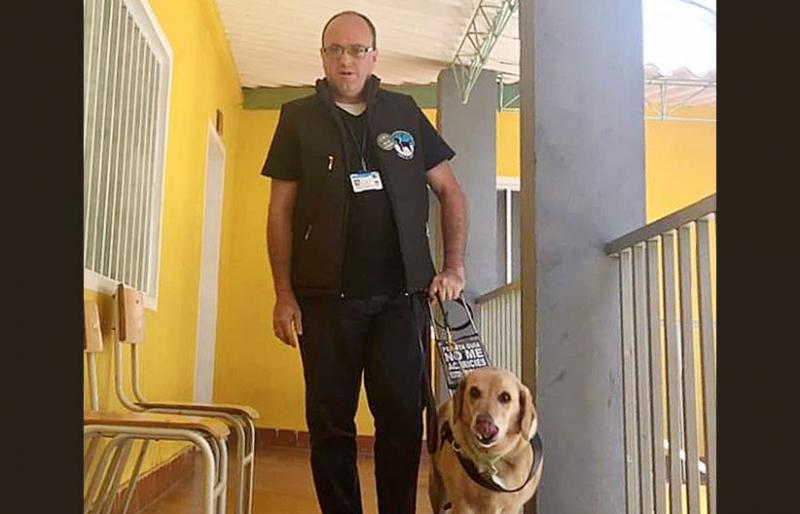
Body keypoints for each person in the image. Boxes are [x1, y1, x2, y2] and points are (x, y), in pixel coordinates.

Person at [261, 10, 468, 514]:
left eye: (357, 50)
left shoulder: (404, 114)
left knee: (400, 422)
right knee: (330, 427)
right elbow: (280, 212)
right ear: (323, 56)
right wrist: (283, 294)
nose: (346, 60)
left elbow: (450, 192)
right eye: (335, 50)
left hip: (401, 303)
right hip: (324, 304)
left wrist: (454, 266)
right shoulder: (297, 118)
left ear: (374, 55)